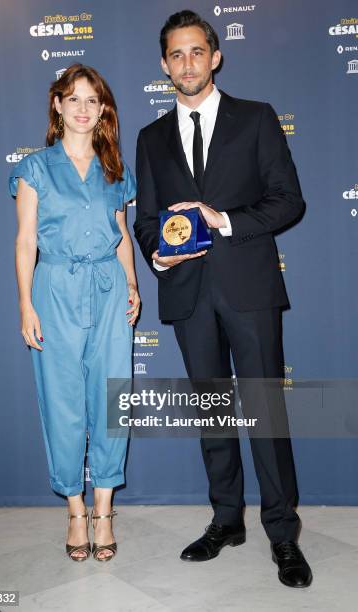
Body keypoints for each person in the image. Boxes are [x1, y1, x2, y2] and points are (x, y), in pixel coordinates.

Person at [134, 10, 312, 587]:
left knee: (265, 411)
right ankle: (226, 519)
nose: (187, 63)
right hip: (188, 293)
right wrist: (160, 254)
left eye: (196, 52)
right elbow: (147, 221)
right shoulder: (150, 137)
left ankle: (282, 534)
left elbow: (288, 201)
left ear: (216, 56)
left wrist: (225, 221)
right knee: (213, 413)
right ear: (165, 65)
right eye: (175, 55)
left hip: (249, 289)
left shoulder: (257, 119)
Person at [9, 63, 140, 562]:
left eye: (93, 100)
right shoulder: (35, 167)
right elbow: (25, 241)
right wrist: (25, 304)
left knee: (111, 400)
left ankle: (103, 511)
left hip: (108, 290)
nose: (84, 108)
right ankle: (73, 508)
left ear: (102, 109)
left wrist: (132, 284)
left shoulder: (115, 169)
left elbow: (121, 232)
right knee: (62, 403)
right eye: (74, 99)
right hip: (55, 289)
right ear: (58, 105)